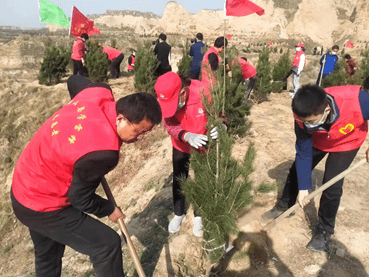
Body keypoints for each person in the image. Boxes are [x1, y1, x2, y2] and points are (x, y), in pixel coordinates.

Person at [11, 74, 162, 277]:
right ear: (121, 119)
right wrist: (108, 209)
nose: (140, 138)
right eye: (138, 132)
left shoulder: (97, 93)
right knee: (106, 245)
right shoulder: (103, 153)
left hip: (25, 182)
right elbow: (79, 197)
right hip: (41, 202)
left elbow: (74, 80)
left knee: (48, 255)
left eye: (146, 133)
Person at [262, 83, 369, 253]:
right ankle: (285, 205)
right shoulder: (301, 115)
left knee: (332, 184)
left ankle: (324, 231)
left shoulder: (360, 100)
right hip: (319, 140)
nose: (305, 124)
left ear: (326, 110)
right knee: (297, 170)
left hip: (346, 142)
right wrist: (304, 187)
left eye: (310, 121)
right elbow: (303, 154)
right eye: (302, 121)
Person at [154, 72, 219, 237]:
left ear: (183, 93)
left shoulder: (204, 91)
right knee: (179, 177)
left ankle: (199, 215)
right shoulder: (165, 98)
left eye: (174, 104)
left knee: (202, 179)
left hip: (203, 144)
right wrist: (186, 135)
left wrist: (221, 126)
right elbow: (169, 124)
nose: (172, 109)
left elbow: (219, 114)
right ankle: (178, 213)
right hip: (181, 143)